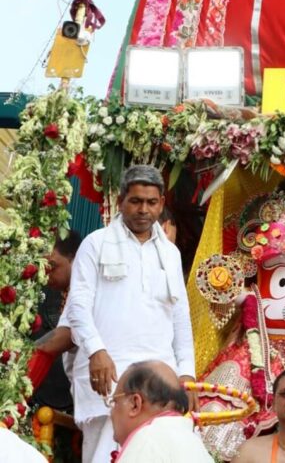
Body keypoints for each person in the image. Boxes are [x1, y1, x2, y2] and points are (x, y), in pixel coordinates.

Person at [67, 165, 196, 463]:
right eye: (136, 201)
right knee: (104, 455)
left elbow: (180, 317)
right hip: (108, 376)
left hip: (160, 378)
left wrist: (187, 373)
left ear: (162, 203)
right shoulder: (95, 244)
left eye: (151, 203)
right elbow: (77, 307)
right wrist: (96, 350)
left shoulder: (170, 254)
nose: (143, 210)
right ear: (122, 199)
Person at [109, 360, 212, 462]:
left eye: (115, 402)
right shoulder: (195, 444)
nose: (111, 413)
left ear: (135, 404)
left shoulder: (145, 442)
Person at [29, 232, 82, 405]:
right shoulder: (62, 291)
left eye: (52, 266)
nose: (46, 275)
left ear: (74, 259)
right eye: (43, 269)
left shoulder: (84, 292)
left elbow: (63, 337)